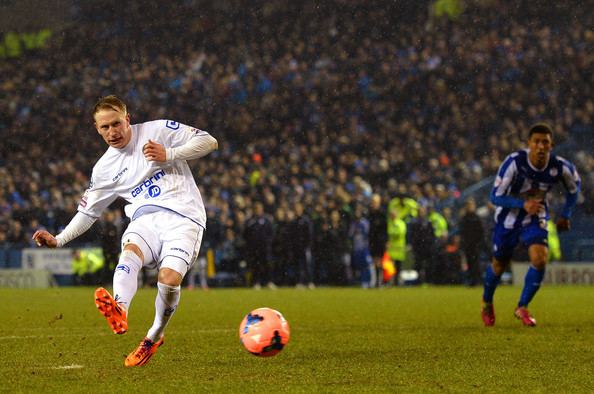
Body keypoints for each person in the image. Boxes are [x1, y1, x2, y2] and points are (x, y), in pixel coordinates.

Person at [32, 95, 218, 366]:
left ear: (127, 119)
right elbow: (88, 213)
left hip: (184, 217)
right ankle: (120, 308)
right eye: (104, 127)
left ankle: (154, 336)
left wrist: (170, 154)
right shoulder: (104, 169)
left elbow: (210, 142)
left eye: (116, 124)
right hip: (145, 217)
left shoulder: (157, 130)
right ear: (97, 129)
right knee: (130, 251)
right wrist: (59, 240)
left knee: (168, 279)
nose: (112, 132)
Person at [481, 123, 580, 327]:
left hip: (536, 216)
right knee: (498, 264)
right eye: (537, 141)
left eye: (545, 142)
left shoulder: (560, 166)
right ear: (529, 143)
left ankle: (522, 306)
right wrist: (522, 203)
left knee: (540, 258)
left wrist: (566, 214)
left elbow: (574, 189)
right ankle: (487, 302)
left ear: (551, 145)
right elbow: (495, 196)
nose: (541, 146)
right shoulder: (514, 162)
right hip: (508, 218)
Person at [458, 198, 486, 286]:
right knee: (470, 262)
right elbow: (462, 232)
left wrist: (479, 243)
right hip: (468, 244)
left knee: (476, 262)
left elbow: (481, 232)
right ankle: (472, 280)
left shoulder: (477, 218)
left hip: (475, 244)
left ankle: (477, 280)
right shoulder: (464, 218)